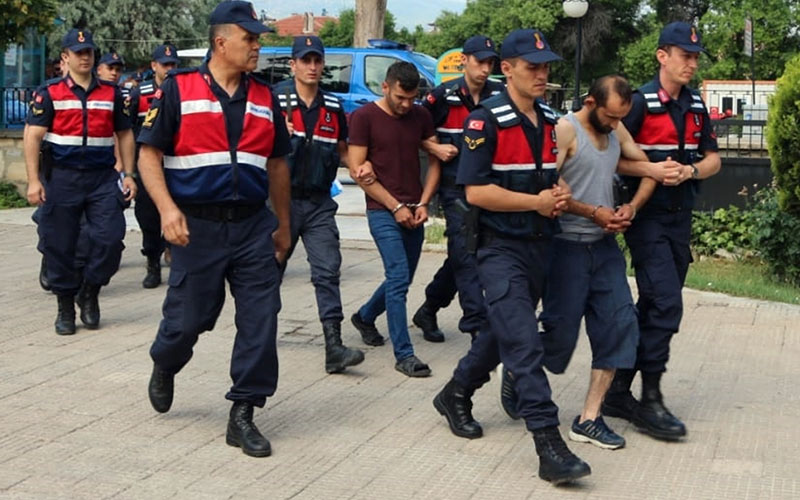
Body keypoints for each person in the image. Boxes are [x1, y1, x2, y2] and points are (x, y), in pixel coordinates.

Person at [431, 29, 591, 484]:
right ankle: (549, 444)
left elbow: (545, 177)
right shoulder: (484, 121)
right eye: (532, 67)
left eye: (545, 67)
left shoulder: (547, 118)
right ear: (508, 69)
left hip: (543, 243)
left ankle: (456, 392)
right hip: (499, 247)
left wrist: (556, 194)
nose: (542, 74)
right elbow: (476, 191)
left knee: (504, 333)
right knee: (523, 342)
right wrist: (535, 203)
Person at [138, 0, 291, 458]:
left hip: (252, 228)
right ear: (221, 42)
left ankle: (243, 411)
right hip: (196, 228)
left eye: (258, 38)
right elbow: (148, 154)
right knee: (187, 321)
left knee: (260, 322)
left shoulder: (265, 96)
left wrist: (283, 225)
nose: (257, 46)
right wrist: (166, 209)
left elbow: (279, 164)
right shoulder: (178, 90)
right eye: (250, 38)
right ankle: (165, 362)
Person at [602, 22, 721, 441]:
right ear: (662, 56)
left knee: (654, 309)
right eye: (684, 55)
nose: (691, 62)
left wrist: (689, 170)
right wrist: (651, 168)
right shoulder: (637, 102)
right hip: (646, 216)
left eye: (695, 56)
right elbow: (612, 159)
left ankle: (617, 390)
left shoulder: (696, 105)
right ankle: (649, 398)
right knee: (666, 304)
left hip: (680, 216)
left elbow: (713, 159)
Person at [528, 75, 658, 450]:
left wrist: (630, 207)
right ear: (589, 102)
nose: (616, 125)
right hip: (565, 247)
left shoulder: (616, 133)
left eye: (621, 118)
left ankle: (589, 419)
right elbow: (545, 190)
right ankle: (519, 370)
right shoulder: (565, 131)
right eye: (610, 116)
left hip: (604, 249)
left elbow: (646, 168)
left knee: (619, 326)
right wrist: (592, 212)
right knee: (558, 341)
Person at [24, 28, 136, 335]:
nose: (85, 56)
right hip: (62, 176)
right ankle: (65, 307)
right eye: (78, 52)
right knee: (59, 244)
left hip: (101, 178)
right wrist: (34, 181)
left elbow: (125, 134)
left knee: (110, 239)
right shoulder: (49, 93)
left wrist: (128, 174)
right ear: (65, 57)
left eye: (89, 52)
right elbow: (32, 136)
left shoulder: (112, 94)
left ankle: (90, 291)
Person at [273, 36, 365, 374]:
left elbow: (342, 149)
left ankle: (334, 345)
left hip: (319, 202)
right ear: (293, 64)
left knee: (328, 270)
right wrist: (276, 134)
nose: (312, 66)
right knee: (271, 270)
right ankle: (260, 332)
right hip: (280, 202)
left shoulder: (334, 107)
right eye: (305, 60)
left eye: (317, 60)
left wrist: (358, 167)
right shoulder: (274, 100)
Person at [347, 61, 441, 378]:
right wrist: (395, 206)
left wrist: (425, 202)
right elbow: (359, 171)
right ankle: (405, 354)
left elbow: (434, 160)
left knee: (402, 278)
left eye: (411, 98)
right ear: (385, 87)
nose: (405, 105)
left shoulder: (420, 116)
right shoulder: (364, 118)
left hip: (415, 207)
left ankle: (364, 316)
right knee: (399, 276)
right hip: (382, 210)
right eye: (400, 97)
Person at [412, 35, 504, 343]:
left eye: (490, 63)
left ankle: (429, 308)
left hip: (489, 188)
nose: (485, 69)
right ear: (464, 60)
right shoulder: (443, 96)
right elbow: (414, 131)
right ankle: (477, 326)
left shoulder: (499, 94)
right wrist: (435, 149)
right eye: (480, 62)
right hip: (453, 188)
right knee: (466, 255)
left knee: (464, 254)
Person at [129, 43, 180, 288]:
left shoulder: (182, 91)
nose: (169, 69)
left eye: (173, 64)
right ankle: (152, 261)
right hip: (148, 166)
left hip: (176, 165)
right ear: (154, 66)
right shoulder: (140, 94)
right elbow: (128, 131)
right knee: (148, 217)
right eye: (165, 64)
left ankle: (173, 250)